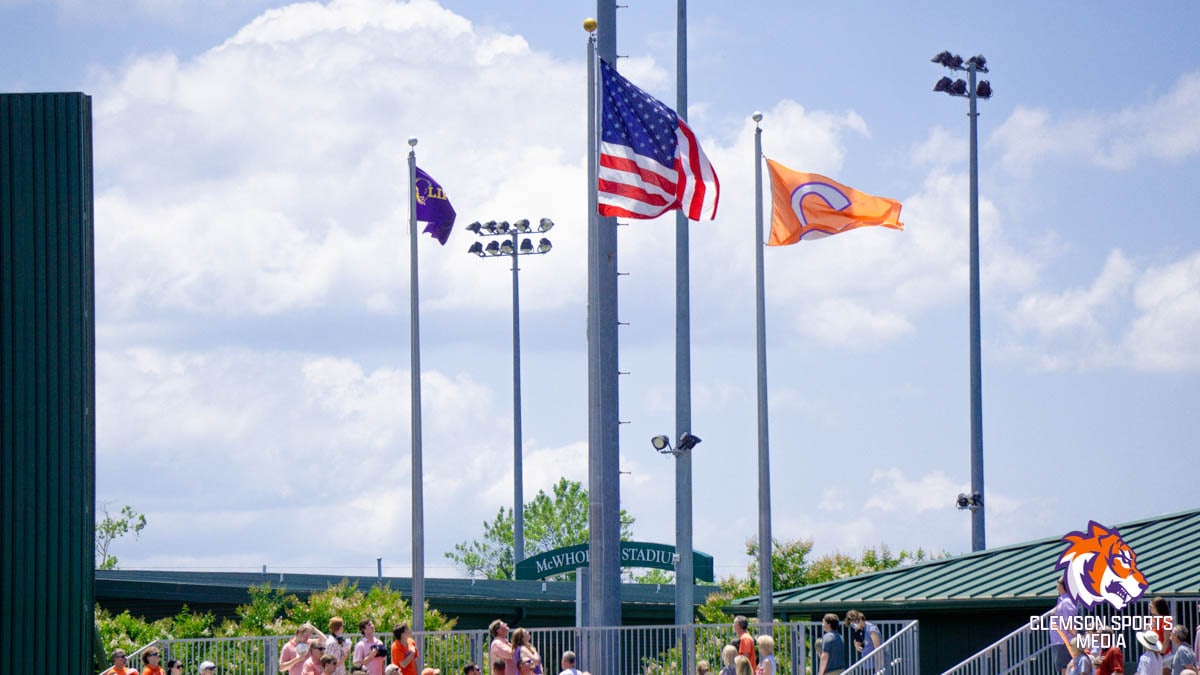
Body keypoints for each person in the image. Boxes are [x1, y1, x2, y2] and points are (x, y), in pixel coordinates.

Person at [1052, 579, 1080, 675]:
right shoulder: (1062, 601)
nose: (1057, 584)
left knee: (1066, 667)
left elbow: (1069, 623)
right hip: (1060, 640)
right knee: (1064, 667)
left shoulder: (1067, 602)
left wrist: (1078, 636)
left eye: (1058, 582)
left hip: (1065, 640)